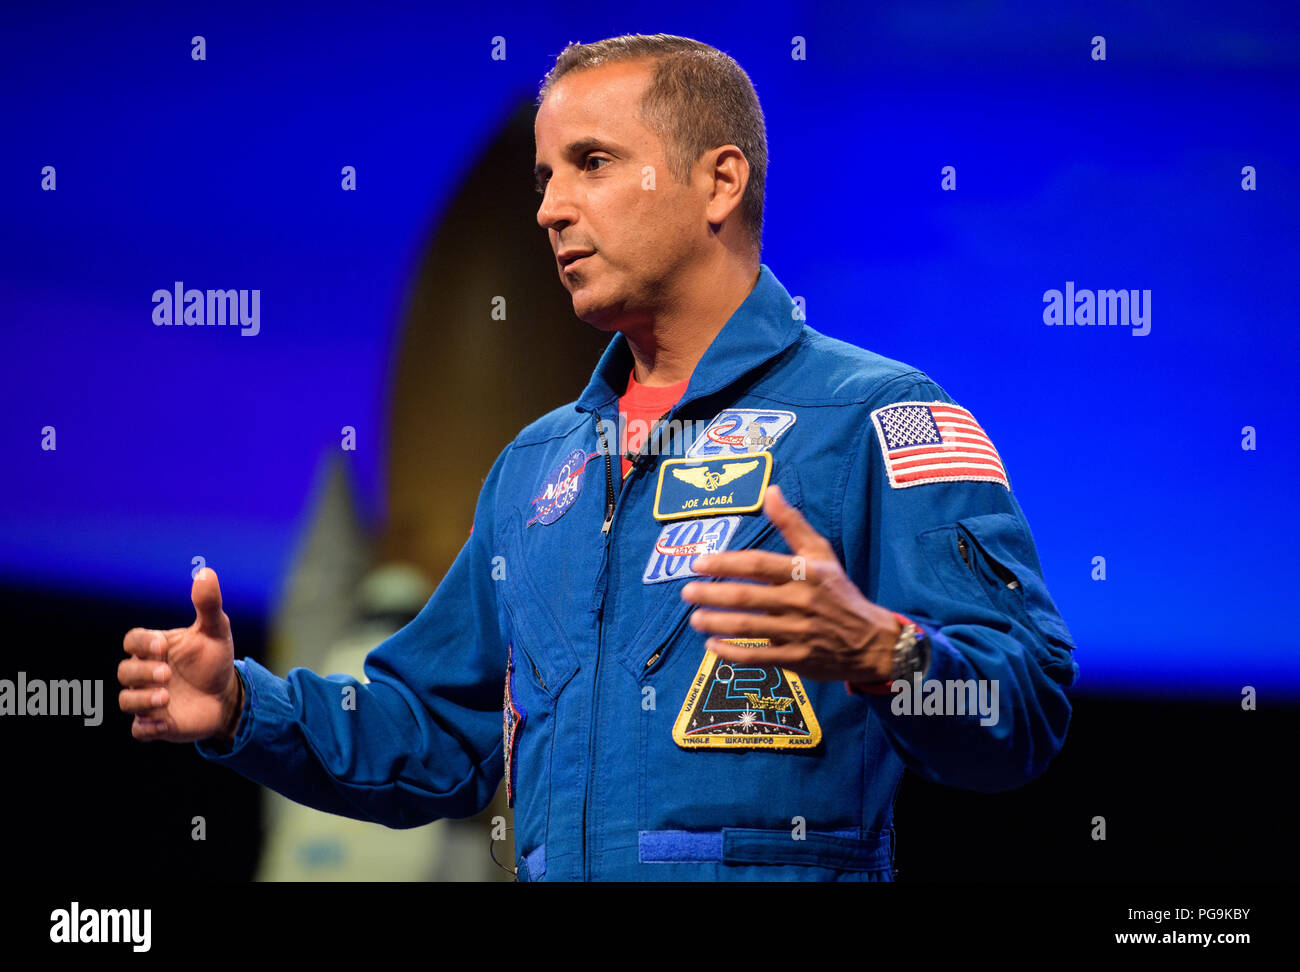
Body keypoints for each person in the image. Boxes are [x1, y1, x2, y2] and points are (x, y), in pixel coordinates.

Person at [118, 33, 1079, 882]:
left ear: (720, 182)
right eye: (545, 179)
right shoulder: (537, 468)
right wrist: (246, 706)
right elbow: (436, 732)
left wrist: (881, 651)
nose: (550, 210)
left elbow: (1025, 708)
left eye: (591, 164)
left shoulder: (880, 418)